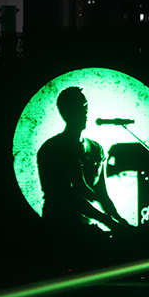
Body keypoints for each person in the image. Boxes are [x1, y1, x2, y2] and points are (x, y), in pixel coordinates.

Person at [37, 86, 128, 236]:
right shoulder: (51, 149)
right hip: (57, 227)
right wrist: (109, 221)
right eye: (78, 106)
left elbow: (102, 194)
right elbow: (69, 197)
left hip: (86, 227)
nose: (85, 111)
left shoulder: (96, 148)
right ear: (65, 111)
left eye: (85, 106)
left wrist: (119, 220)